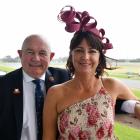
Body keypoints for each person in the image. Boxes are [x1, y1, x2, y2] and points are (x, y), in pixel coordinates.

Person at [43, 6, 138, 140]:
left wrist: (134, 107)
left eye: (92, 51)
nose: (85, 56)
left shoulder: (112, 86)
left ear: (100, 57)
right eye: (79, 50)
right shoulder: (55, 93)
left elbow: (136, 101)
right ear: (71, 55)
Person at [0, 34, 70, 140]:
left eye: (42, 53)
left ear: (51, 57)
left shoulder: (63, 78)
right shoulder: (3, 84)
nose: (36, 59)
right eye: (30, 52)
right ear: (20, 54)